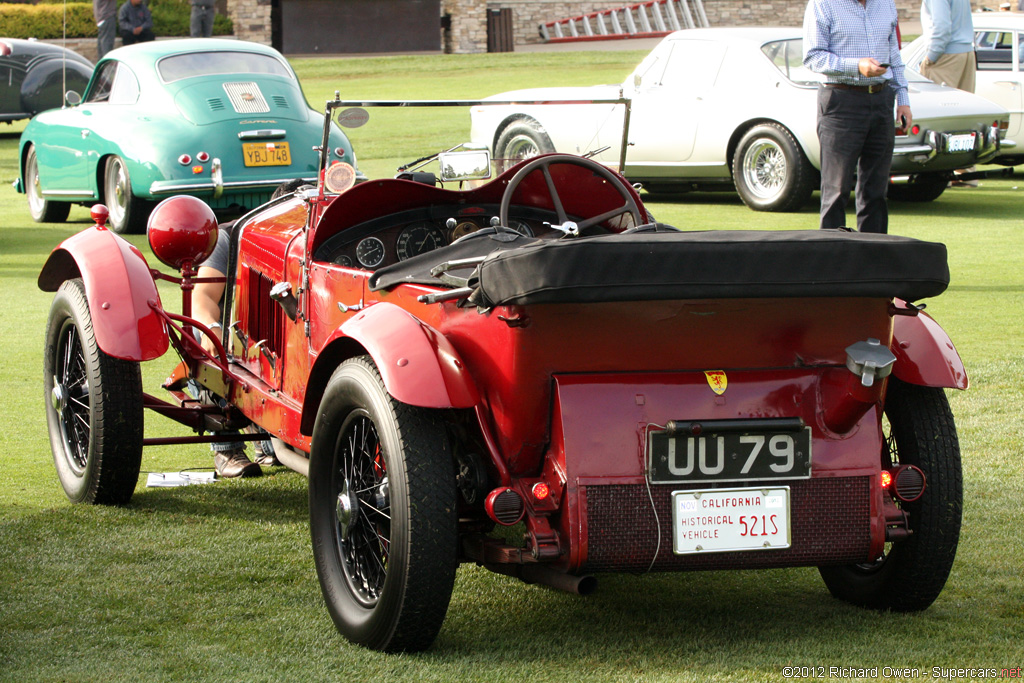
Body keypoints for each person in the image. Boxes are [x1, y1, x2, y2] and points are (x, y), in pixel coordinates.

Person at [192, 180, 309, 477]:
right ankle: (226, 449)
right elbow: (203, 297)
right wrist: (213, 329)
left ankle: (271, 442)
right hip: (237, 333)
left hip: (282, 336)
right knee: (206, 337)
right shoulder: (228, 237)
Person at [803, 0, 913, 234]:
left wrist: (903, 98)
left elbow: (893, 53)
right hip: (841, 101)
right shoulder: (823, 4)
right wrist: (856, 65)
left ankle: (873, 260)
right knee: (836, 190)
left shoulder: (885, 4)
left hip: (882, 99)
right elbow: (813, 57)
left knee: (876, 190)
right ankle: (833, 261)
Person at [920, 0, 978, 186]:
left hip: (946, 55)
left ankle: (938, 175)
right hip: (965, 52)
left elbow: (942, 26)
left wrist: (931, 57)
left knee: (938, 118)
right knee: (963, 117)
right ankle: (965, 171)